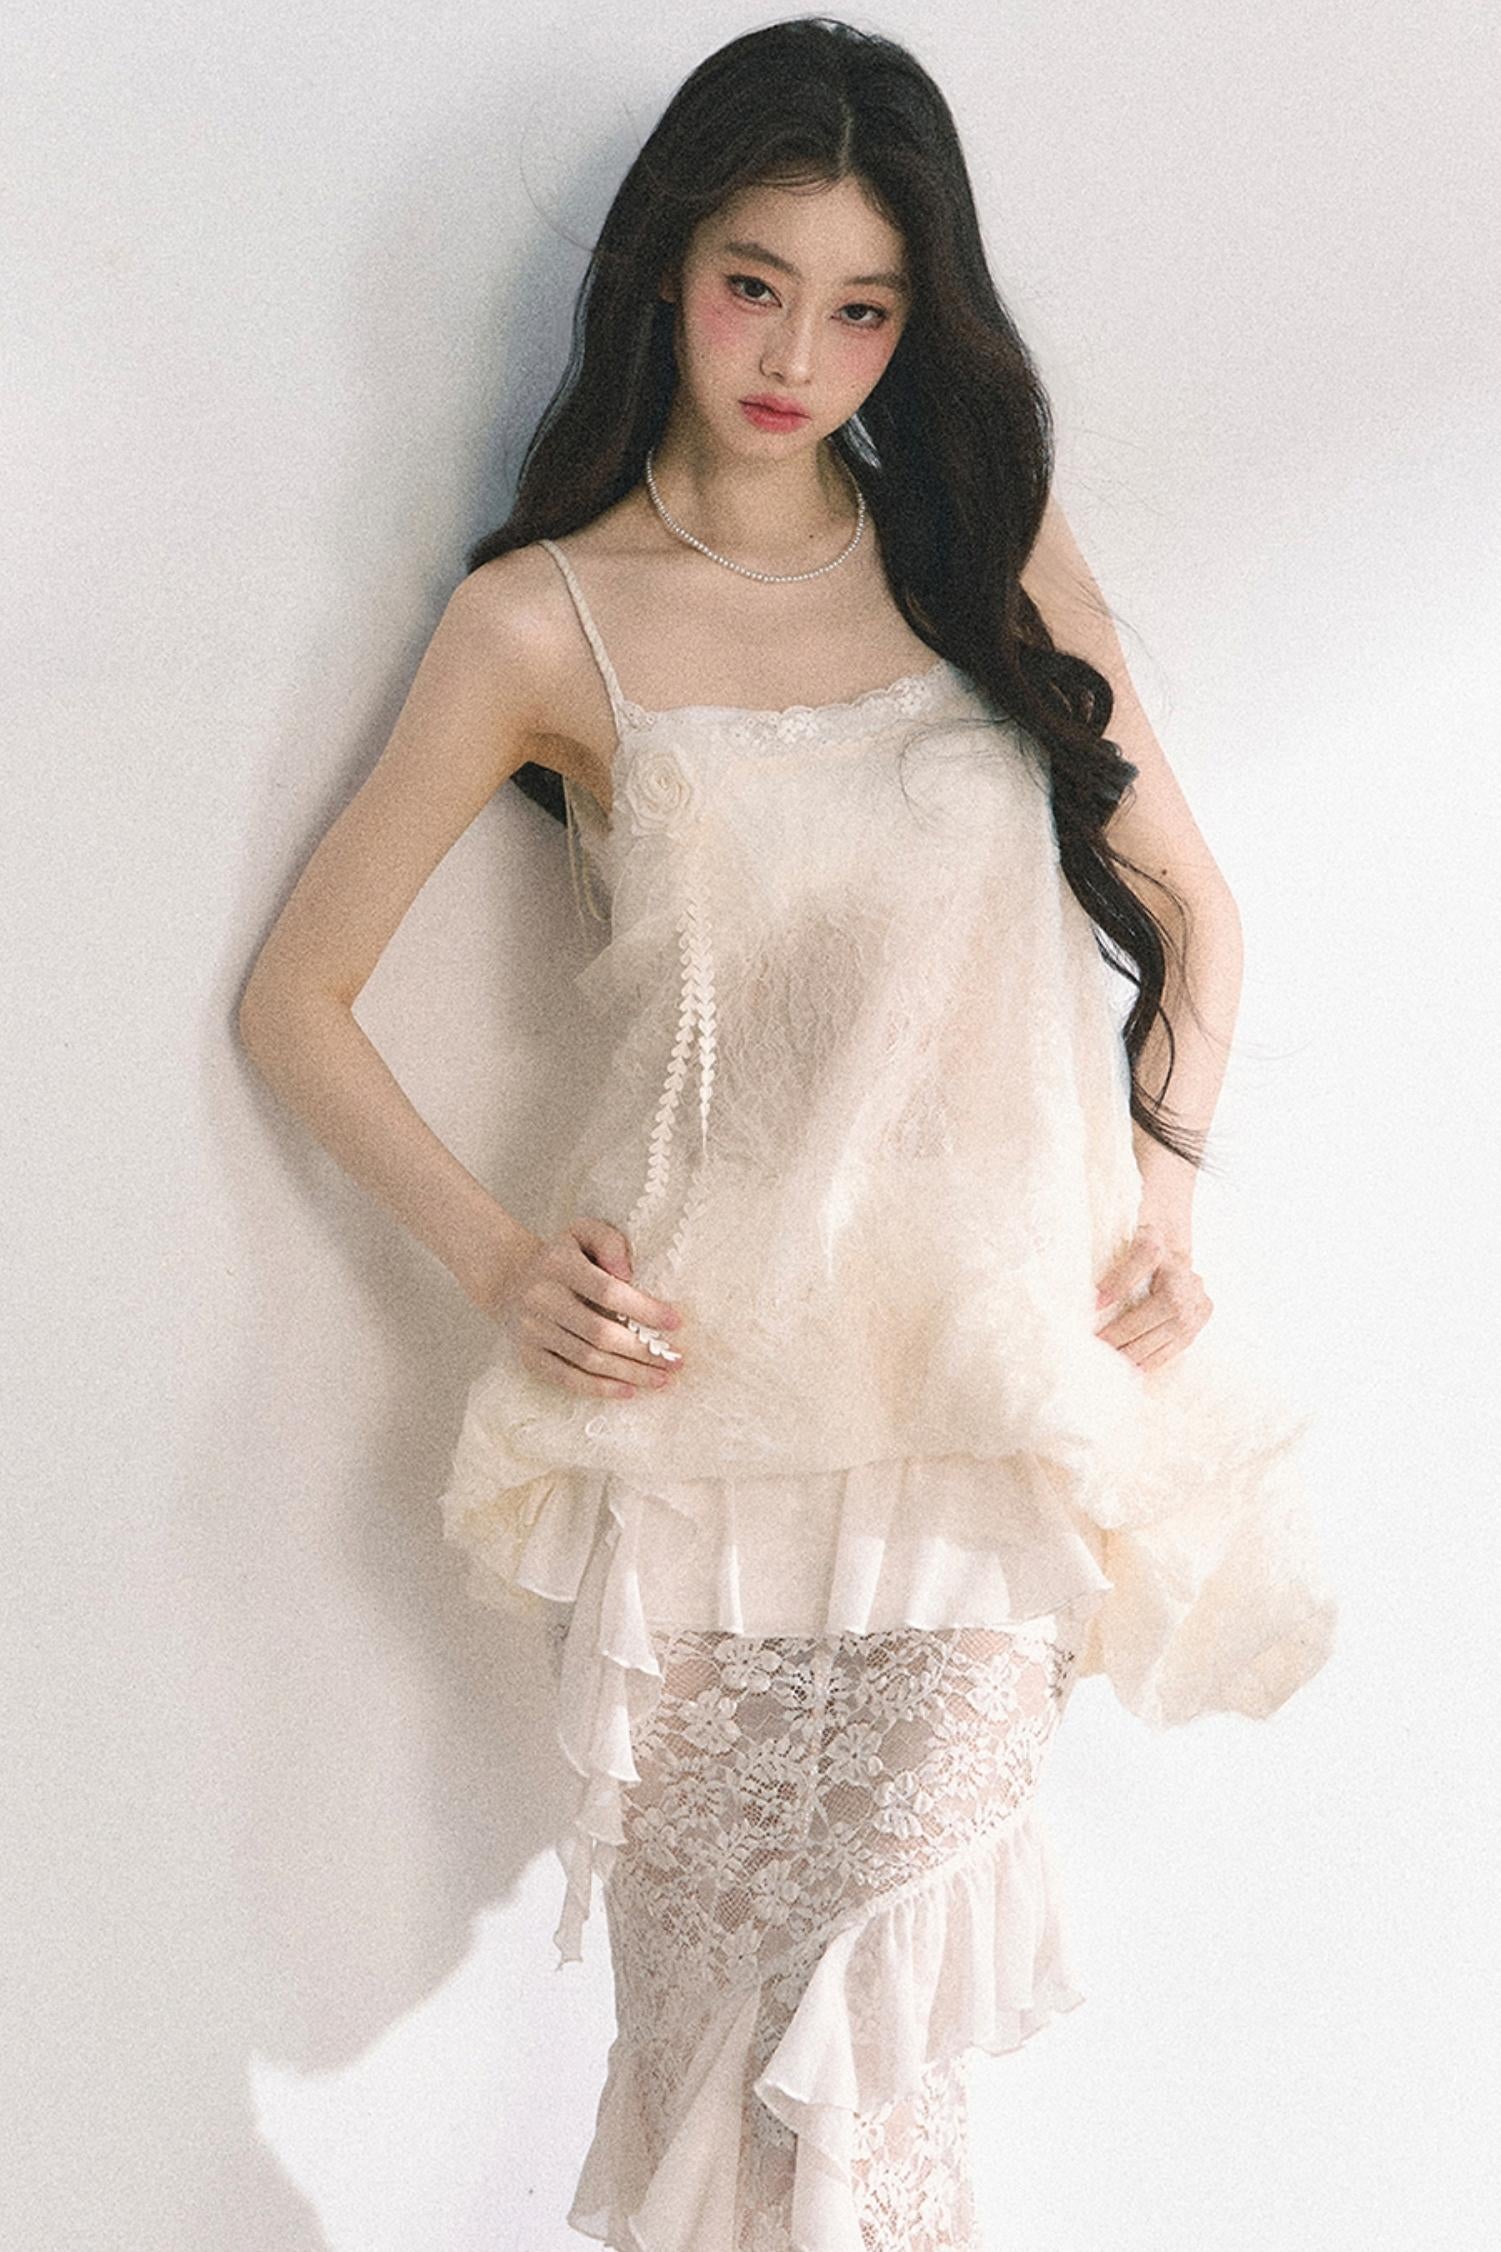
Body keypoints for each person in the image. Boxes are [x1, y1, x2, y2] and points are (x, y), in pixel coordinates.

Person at [238, 17, 1338, 2248]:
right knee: (722, 2053)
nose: (796, 358)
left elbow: (1196, 914)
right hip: (698, 1425)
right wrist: (499, 1259)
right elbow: (296, 999)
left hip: (974, 1409)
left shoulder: (979, 549)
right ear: (667, 265)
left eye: (862, 310)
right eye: (755, 285)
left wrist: (1161, 1202)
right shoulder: (542, 619)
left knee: (863, 2059)